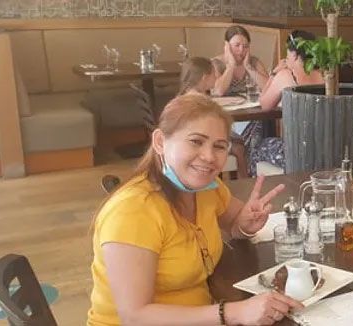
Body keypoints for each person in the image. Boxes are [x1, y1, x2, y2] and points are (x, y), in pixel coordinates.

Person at [87, 94, 304, 326]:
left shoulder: (206, 188)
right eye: (196, 141)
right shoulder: (133, 211)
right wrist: (233, 312)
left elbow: (234, 222)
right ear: (160, 142)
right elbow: (135, 316)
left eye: (219, 146)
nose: (209, 157)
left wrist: (246, 223)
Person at [233, 30, 324, 177]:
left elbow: (264, 104)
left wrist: (274, 73)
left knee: (254, 149)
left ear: (294, 54)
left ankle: (251, 189)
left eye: (288, 53)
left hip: (294, 152)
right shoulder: (323, 74)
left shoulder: (286, 75)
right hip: (321, 149)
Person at [213, 25, 269, 97]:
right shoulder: (216, 64)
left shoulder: (254, 62)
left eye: (245, 46)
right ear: (227, 46)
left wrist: (248, 67)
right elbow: (219, 91)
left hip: (251, 106)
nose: (241, 50)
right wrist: (230, 66)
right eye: (237, 45)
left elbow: (268, 88)